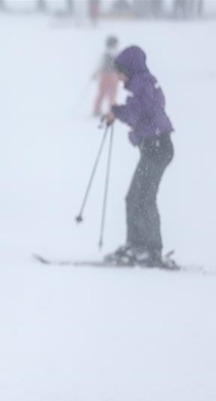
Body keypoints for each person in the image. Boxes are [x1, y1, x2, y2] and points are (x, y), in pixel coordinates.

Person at [101, 45, 174, 266]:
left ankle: (150, 250)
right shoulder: (144, 83)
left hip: (157, 147)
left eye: (120, 72)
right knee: (136, 197)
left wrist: (116, 111)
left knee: (143, 198)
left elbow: (137, 113)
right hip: (156, 147)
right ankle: (137, 246)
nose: (119, 78)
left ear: (129, 69)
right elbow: (142, 111)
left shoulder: (143, 83)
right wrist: (118, 112)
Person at [92, 35, 120, 117]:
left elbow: (100, 65)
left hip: (104, 75)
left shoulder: (105, 55)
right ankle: (112, 111)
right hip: (113, 76)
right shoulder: (117, 54)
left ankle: (96, 109)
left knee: (101, 93)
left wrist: (95, 73)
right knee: (112, 94)